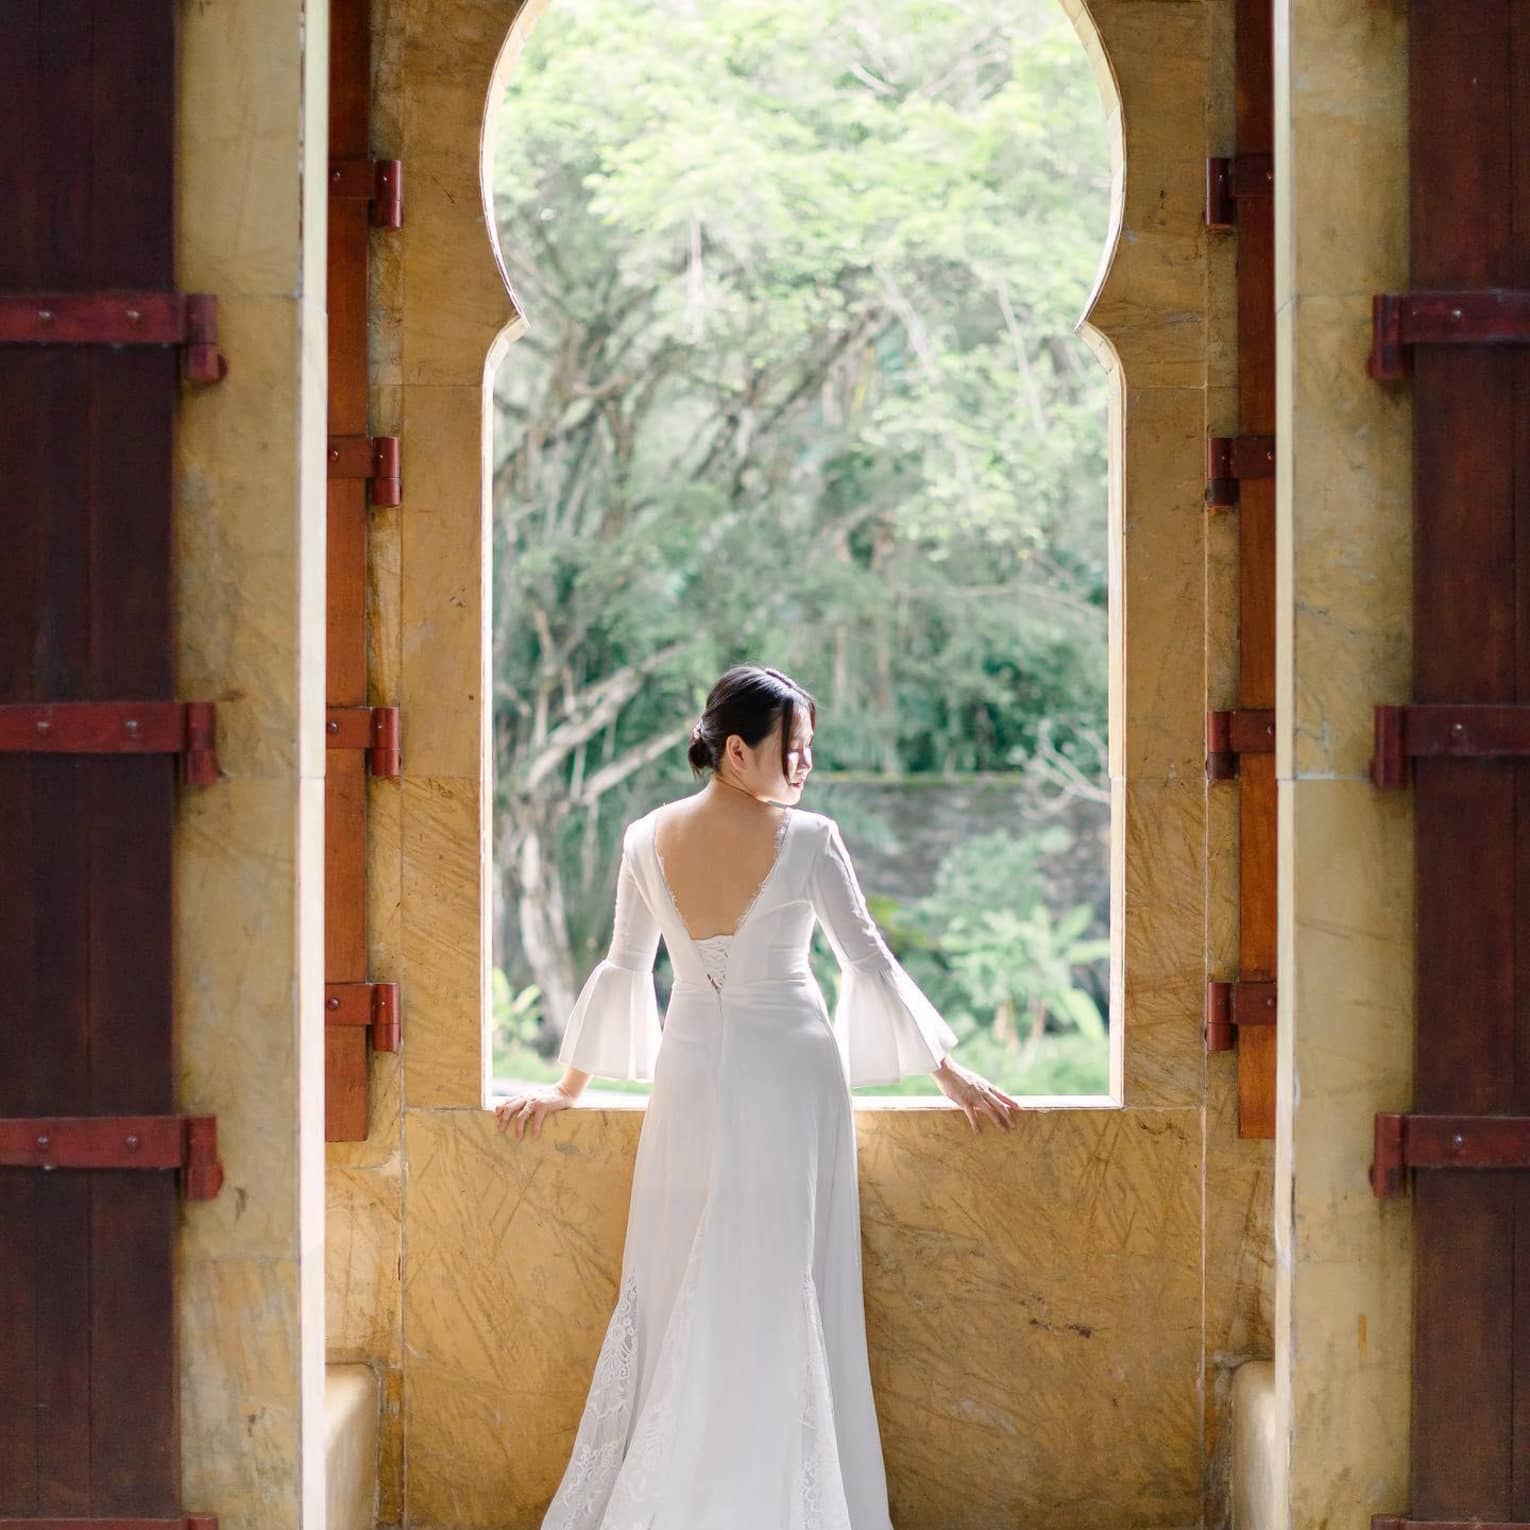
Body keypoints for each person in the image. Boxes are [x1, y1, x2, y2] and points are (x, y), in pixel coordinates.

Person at [496, 663, 1021, 1530]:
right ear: (736, 751)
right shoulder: (810, 839)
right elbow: (868, 962)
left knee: (680, 1288)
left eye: (810, 749)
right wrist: (948, 1071)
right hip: (788, 1078)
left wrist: (567, 1087)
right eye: (794, 749)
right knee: (788, 1283)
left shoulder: (644, 837)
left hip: (692, 1076)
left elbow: (627, 966)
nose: (807, 765)